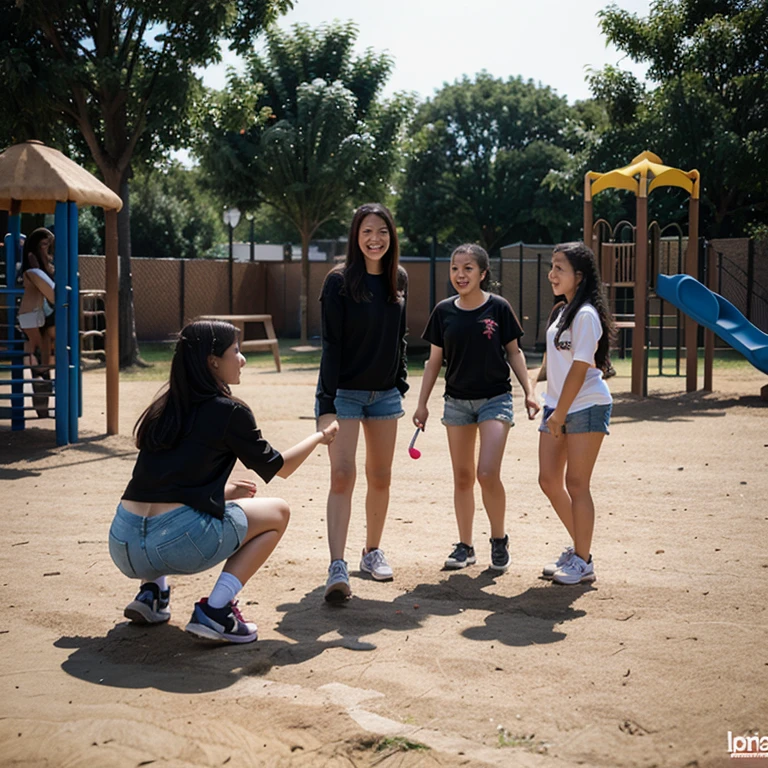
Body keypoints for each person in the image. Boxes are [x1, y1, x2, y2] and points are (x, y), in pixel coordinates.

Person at [109, 319, 339, 643]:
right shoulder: (229, 411)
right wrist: (319, 436)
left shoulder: (163, 407)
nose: (242, 358)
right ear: (212, 361)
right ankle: (216, 611)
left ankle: (152, 594)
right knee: (278, 513)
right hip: (174, 543)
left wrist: (223, 492)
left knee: (166, 518)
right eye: (236, 350)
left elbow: (164, 480)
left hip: (122, 543)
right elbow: (280, 468)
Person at [414, 244, 539, 572]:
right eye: (455, 268)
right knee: (463, 476)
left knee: (486, 472)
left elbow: (514, 352)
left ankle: (499, 539)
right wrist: (422, 403)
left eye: (468, 268)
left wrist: (529, 391)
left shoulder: (498, 307)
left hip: (495, 398)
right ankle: (465, 546)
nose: (460, 274)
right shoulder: (443, 311)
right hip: (456, 401)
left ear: (483, 273)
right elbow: (434, 362)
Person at [315, 202, 408, 602]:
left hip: (385, 394)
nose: (375, 239)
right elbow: (330, 346)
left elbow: (399, 336)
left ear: (392, 237)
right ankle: (337, 565)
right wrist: (326, 405)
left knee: (381, 476)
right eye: (368, 231)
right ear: (356, 236)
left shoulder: (398, 278)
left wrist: (400, 382)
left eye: (383, 232)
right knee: (342, 476)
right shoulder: (337, 282)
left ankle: (371, 552)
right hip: (346, 395)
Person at [532, 241, 615, 585]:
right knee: (549, 480)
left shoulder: (585, 315)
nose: (552, 274)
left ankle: (582, 560)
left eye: (559, 268)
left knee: (576, 483)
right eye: (551, 267)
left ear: (579, 276)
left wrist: (559, 413)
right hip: (557, 406)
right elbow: (555, 363)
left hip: (586, 405)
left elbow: (581, 368)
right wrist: (532, 389)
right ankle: (582, 551)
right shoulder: (561, 312)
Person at [18, 228, 56, 417]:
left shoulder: (45, 260)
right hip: (39, 313)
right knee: (39, 352)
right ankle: (42, 407)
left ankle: (43, 407)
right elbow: (43, 282)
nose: (46, 248)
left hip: (44, 313)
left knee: (44, 353)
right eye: (43, 244)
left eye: (48, 244)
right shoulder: (33, 260)